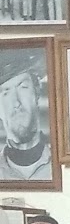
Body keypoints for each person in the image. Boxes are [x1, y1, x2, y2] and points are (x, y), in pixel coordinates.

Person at [0, 52, 51, 182]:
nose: (16, 103)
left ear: (37, 92)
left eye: (23, 87)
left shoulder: (59, 164)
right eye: (6, 93)